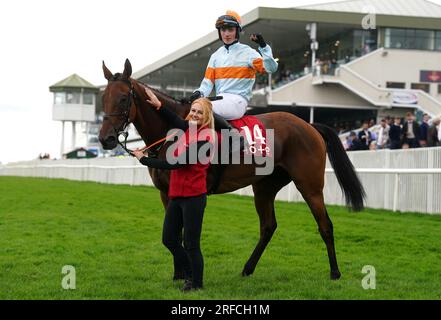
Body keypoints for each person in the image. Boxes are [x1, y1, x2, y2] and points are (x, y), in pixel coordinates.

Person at [132, 87, 215, 292]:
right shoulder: (191, 129)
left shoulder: (206, 138)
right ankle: (188, 273)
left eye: (199, 112)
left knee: (191, 244)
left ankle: (196, 283)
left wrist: (145, 160)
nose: (194, 114)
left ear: (206, 116)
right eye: (193, 111)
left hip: (194, 197)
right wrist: (159, 106)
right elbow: (177, 122)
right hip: (177, 195)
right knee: (169, 239)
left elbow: (176, 164)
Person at [188, 10, 278, 131]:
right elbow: (207, 83)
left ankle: (234, 137)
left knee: (202, 109)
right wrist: (199, 93)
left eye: (230, 29)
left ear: (237, 31)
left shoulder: (248, 52)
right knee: (191, 109)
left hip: (238, 101)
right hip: (219, 99)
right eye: (223, 30)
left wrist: (263, 47)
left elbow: (271, 68)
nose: (227, 34)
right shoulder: (215, 56)